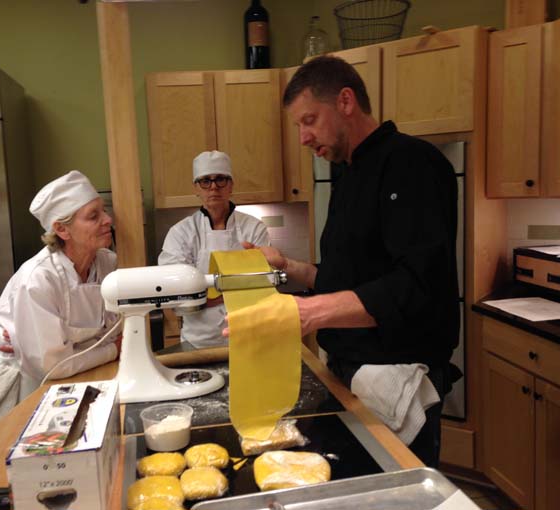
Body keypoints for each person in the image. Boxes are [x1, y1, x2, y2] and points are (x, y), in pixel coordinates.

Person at [237, 56, 459, 467]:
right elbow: (349, 278)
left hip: (398, 380)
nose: (303, 137)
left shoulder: (413, 164)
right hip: (349, 376)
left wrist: (305, 313)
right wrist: (288, 266)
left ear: (345, 101)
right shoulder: (347, 174)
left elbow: (416, 287)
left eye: (309, 120)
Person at [0, 170, 121, 431]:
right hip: (26, 388)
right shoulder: (38, 279)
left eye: (104, 211)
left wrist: (80, 350)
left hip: (80, 378)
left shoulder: (106, 262)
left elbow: (114, 328)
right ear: (61, 229)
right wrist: (111, 350)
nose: (107, 220)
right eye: (94, 216)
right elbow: (51, 367)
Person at [158, 151, 271, 348]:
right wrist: (235, 288)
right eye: (205, 181)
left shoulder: (254, 228)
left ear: (231, 185)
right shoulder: (180, 233)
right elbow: (177, 293)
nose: (213, 187)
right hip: (198, 342)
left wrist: (206, 293)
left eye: (221, 179)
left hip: (248, 338)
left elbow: (262, 288)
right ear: (196, 188)